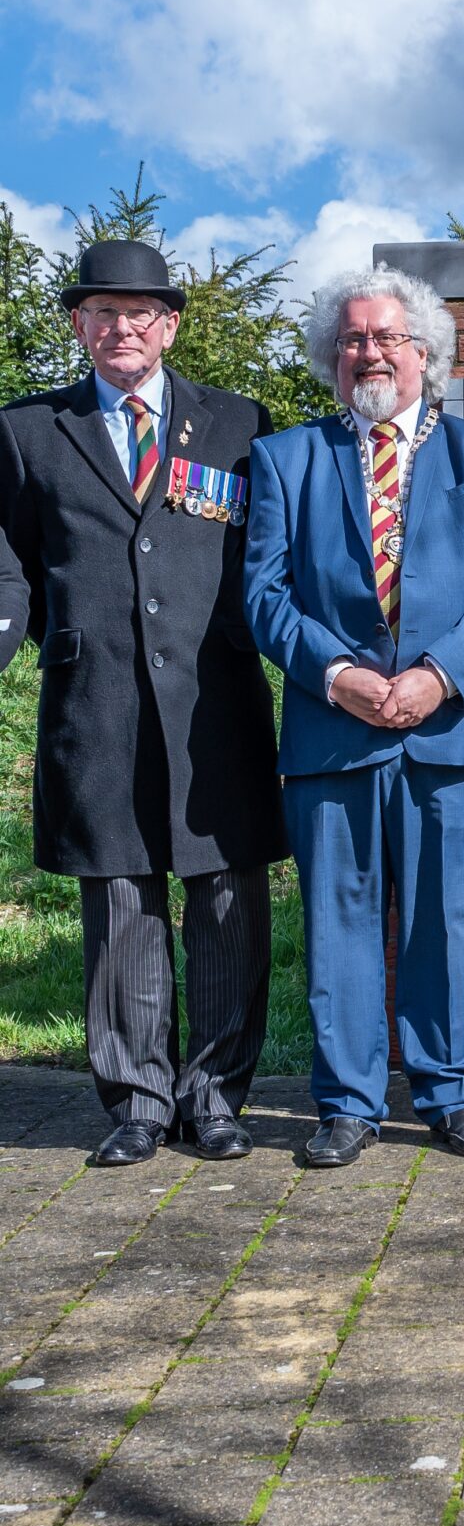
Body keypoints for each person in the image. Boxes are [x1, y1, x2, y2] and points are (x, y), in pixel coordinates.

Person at [244, 267, 464, 1168]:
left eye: (387, 336)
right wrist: (338, 675)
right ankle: (348, 1102)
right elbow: (263, 593)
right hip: (334, 733)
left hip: (446, 735)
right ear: (333, 357)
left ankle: (452, 1093)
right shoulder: (286, 458)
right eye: (352, 338)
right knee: (339, 922)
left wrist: (440, 678)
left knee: (443, 921)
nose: (368, 350)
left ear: (426, 353)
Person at [0, 240, 283, 1167]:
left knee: (226, 896)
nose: (122, 328)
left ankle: (215, 1096)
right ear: (79, 326)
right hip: (99, 698)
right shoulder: (28, 430)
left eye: (140, 313)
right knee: (121, 893)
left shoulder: (241, 422)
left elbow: (262, 560)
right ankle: (136, 1100)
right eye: (102, 314)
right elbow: (14, 569)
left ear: (169, 325)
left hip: (215, 699)